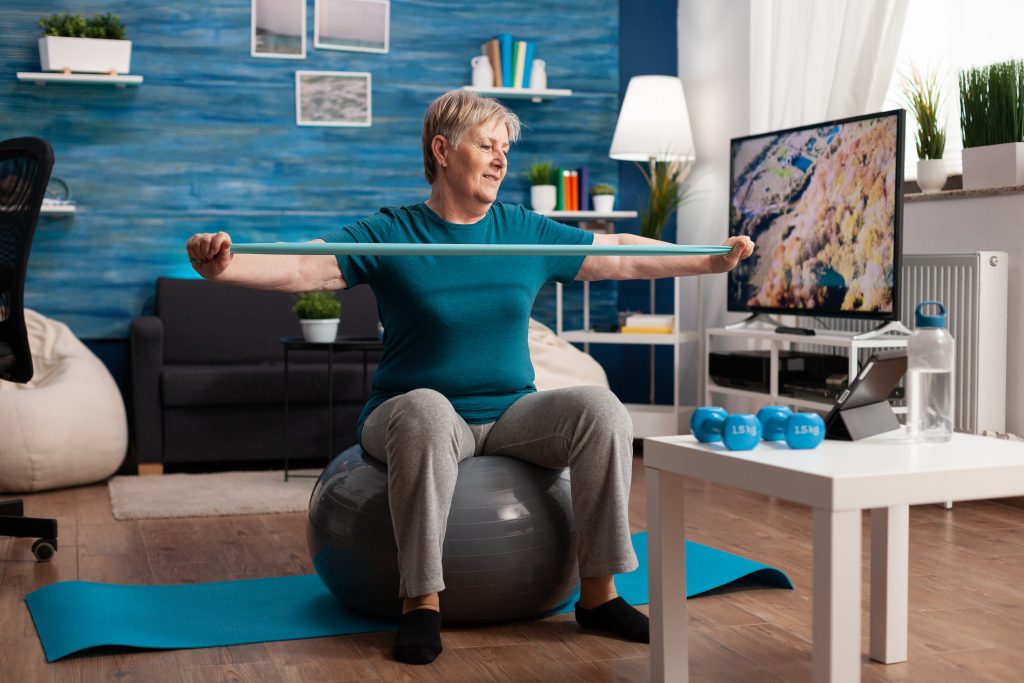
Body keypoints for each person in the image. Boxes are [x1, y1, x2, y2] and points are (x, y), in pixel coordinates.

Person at [187, 90, 754, 665]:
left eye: (504, 148)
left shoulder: (521, 231)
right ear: (442, 149)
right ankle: (421, 603)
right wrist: (224, 265)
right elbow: (303, 264)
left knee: (600, 409)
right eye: (487, 145)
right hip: (408, 414)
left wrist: (711, 260)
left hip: (511, 415)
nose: (501, 159)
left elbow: (624, 252)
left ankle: (600, 595)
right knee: (428, 408)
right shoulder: (395, 232)